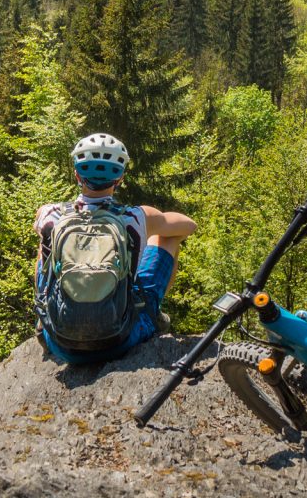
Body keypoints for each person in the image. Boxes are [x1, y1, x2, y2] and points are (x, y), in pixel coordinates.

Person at [33, 132, 196, 364]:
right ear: (119, 179)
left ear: (77, 175)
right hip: (119, 341)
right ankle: (154, 314)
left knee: (45, 249)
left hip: (60, 342)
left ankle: (42, 321)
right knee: (166, 239)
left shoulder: (50, 213)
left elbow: (40, 235)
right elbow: (189, 226)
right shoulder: (136, 216)